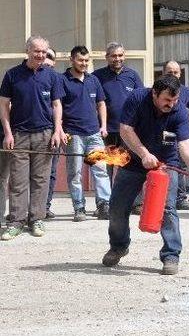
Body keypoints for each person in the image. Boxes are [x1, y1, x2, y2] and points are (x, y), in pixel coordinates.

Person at [101, 74, 189, 275]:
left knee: (167, 210)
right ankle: (119, 246)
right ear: (154, 94)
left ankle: (171, 255)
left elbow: (185, 143)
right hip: (133, 160)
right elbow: (125, 130)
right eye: (167, 100)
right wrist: (143, 154)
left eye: (175, 100)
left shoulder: (179, 111)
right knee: (117, 207)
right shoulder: (137, 99)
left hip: (166, 163)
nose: (172, 104)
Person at [0, 36, 65, 240]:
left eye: (44, 52)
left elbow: (56, 105)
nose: (40, 55)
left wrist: (57, 130)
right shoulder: (12, 75)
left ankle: (36, 219)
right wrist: (8, 133)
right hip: (18, 135)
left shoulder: (52, 76)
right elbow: (3, 106)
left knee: (40, 179)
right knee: (18, 181)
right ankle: (16, 222)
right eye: (36, 51)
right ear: (27, 51)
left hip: (45, 134)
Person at [60, 45, 112, 221]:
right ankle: (79, 208)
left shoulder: (93, 80)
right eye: (80, 60)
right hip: (73, 135)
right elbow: (57, 106)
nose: (84, 63)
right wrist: (59, 130)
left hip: (93, 134)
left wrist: (103, 125)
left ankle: (103, 205)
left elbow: (101, 104)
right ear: (72, 60)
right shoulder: (62, 80)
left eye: (86, 60)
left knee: (100, 170)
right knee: (75, 173)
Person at [93, 42, 144, 182]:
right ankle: (108, 201)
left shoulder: (133, 75)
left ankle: (132, 201)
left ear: (124, 56)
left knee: (129, 166)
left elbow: (142, 100)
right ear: (107, 57)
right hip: (106, 131)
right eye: (113, 56)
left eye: (120, 55)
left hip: (128, 130)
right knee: (105, 167)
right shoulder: (97, 76)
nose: (117, 58)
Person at [161, 60, 189, 210]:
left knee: (180, 166)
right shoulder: (157, 90)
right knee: (165, 165)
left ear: (180, 74)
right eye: (169, 72)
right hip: (162, 135)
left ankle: (180, 197)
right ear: (164, 73)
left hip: (179, 136)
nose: (173, 75)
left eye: (176, 72)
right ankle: (163, 197)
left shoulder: (185, 91)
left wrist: (188, 124)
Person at [44, 48, 62, 219]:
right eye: (45, 56)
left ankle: (45, 206)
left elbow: (62, 107)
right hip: (33, 132)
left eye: (51, 58)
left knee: (51, 172)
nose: (47, 61)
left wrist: (60, 130)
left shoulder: (57, 80)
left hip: (54, 132)